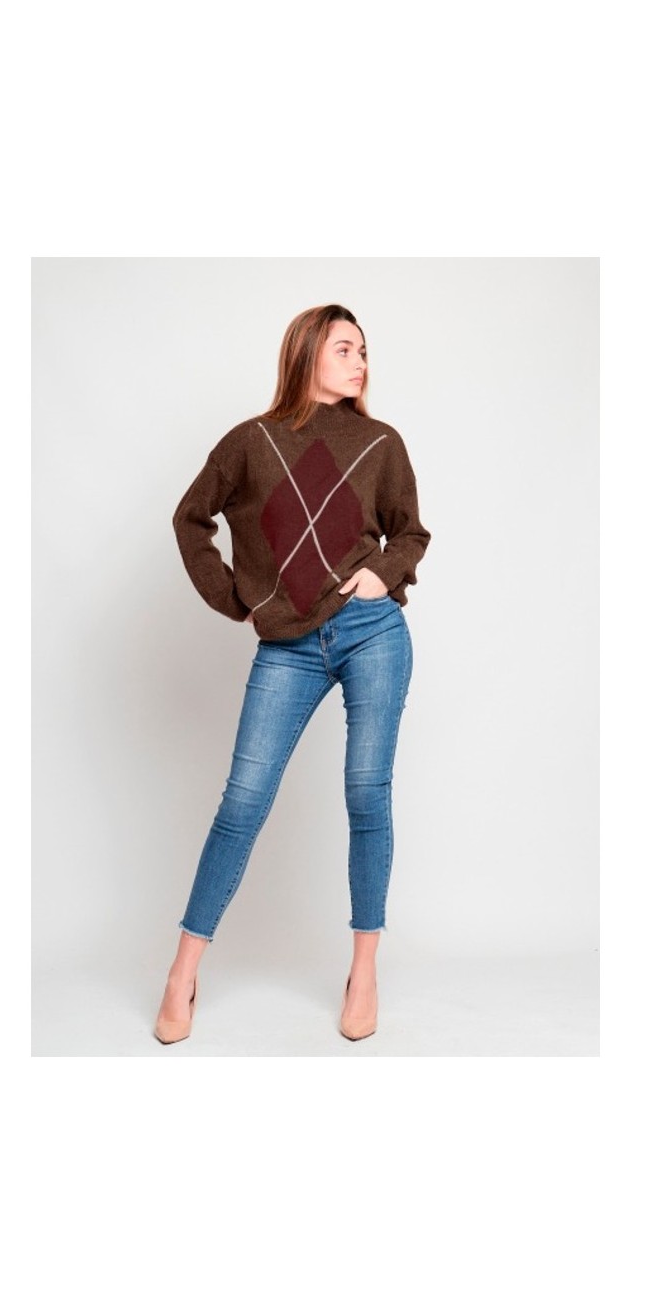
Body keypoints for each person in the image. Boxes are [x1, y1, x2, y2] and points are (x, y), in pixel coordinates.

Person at [153, 304, 431, 1045]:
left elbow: (410, 532)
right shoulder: (253, 442)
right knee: (243, 802)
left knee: (366, 794)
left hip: (372, 633)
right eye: (345, 349)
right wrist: (235, 598)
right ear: (307, 352)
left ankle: (363, 972)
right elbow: (190, 518)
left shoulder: (380, 442)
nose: (360, 362)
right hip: (289, 644)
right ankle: (182, 973)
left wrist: (381, 575)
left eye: (364, 351)